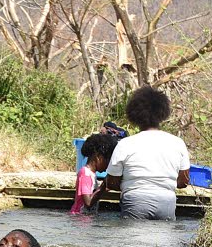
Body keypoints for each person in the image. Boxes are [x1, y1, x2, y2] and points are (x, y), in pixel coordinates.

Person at [103, 86, 191, 221]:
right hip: (166, 202)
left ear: (134, 115)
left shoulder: (125, 144)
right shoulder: (177, 143)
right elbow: (184, 181)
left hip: (135, 201)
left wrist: (131, 185)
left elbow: (111, 182)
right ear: (162, 113)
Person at [71, 134, 116, 216]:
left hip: (84, 218)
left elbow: (92, 194)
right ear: (98, 157)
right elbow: (88, 202)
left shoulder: (92, 174)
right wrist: (103, 186)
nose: (109, 165)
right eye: (108, 160)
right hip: (79, 217)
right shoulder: (85, 174)